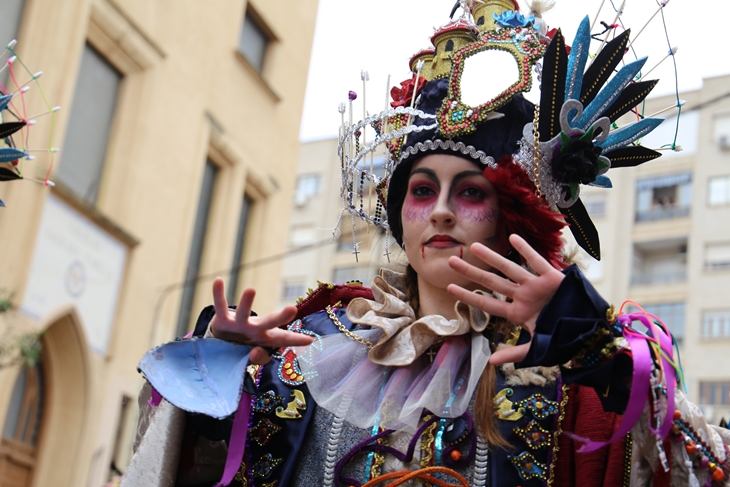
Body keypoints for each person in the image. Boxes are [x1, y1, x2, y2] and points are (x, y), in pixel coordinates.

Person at [122, 2, 730, 487]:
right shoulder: (320, 353)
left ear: (509, 213)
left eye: (468, 192)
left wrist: (596, 349)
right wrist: (212, 380)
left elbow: (690, 463)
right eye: (420, 189)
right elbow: (198, 472)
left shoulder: (562, 367)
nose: (439, 210)